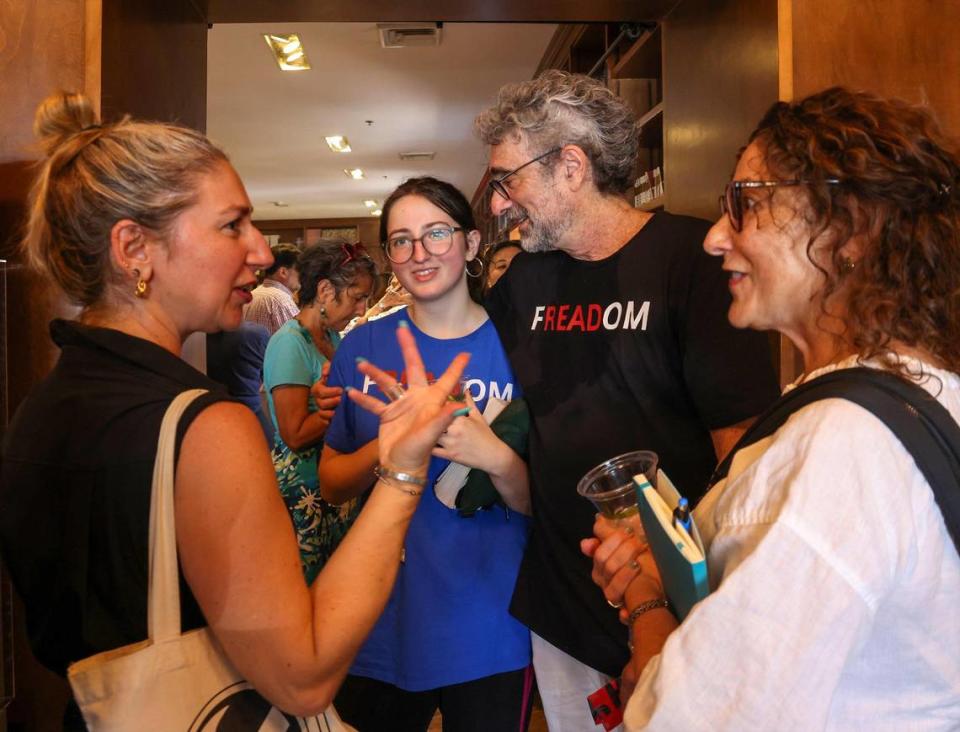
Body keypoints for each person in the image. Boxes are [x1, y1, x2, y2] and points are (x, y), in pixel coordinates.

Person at [0, 91, 472, 729]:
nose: (259, 252)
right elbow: (302, 677)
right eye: (232, 225)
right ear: (133, 247)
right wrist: (402, 468)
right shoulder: (206, 427)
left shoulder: (39, 408)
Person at [584, 87, 960, 730]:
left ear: (849, 231)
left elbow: (692, 718)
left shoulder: (840, 449)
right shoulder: (926, 390)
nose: (715, 237)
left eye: (746, 205)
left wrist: (648, 606)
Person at [474, 69, 781, 729]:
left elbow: (746, 462)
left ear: (571, 167)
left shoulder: (695, 265)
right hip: (562, 608)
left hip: (678, 613)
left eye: (508, 178)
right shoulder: (524, 278)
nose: (498, 202)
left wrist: (658, 604)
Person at [318, 177, 533, 731]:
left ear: (471, 243)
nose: (420, 253)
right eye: (401, 240)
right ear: (389, 254)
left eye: (437, 233)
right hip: (381, 622)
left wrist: (496, 457)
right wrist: (389, 447)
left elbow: (548, 504)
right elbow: (332, 484)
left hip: (494, 624)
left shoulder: (524, 347)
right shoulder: (362, 348)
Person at [263, 240, 375, 582]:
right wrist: (339, 406)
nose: (361, 308)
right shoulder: (290, 342)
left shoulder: (330, 337)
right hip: (303, 492)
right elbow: (294, 434)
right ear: (326, 290)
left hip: (329, 481)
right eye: (357, 297)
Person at [206, 321, 274, 441]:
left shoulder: (200, 337)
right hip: (251, 411)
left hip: (213, 414)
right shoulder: (255, 334)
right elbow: (268, 374)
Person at [245, 242, 301, 334]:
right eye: (299, 270)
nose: (302, 275)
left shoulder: (252, 294)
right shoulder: (281, 300)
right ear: (283, 272)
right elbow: (298, 341)